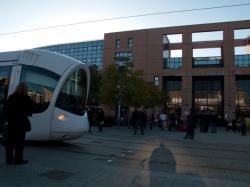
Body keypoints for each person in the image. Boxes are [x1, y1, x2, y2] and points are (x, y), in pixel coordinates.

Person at [5, 82, 33, 165]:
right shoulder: (27, 98)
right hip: (21, 124)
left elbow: (6, 110)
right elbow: (30, 111)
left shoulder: (11, 97)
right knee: (19, 143)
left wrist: (9, 120)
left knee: (10, 142)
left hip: (11, 124)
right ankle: (18, 159)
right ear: (25, 89)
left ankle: (9, 159)